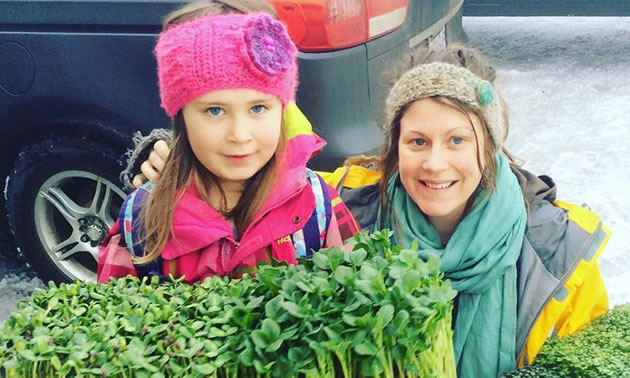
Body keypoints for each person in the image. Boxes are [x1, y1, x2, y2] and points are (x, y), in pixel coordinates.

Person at [126, 44, 611, 377]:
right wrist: (180, 157)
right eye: (417, 141)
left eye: (458, 140)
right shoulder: (343, 203)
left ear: (492, 148)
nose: (435, 163)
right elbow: (255, 182)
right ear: (393, 146)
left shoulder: (562, 256)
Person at [97, 11, 360, 284]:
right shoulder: (141, 220)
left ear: (282, 111)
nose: (239, 135)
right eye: (214, 111)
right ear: (181, 118)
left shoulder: (319, 206)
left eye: (258, 108)